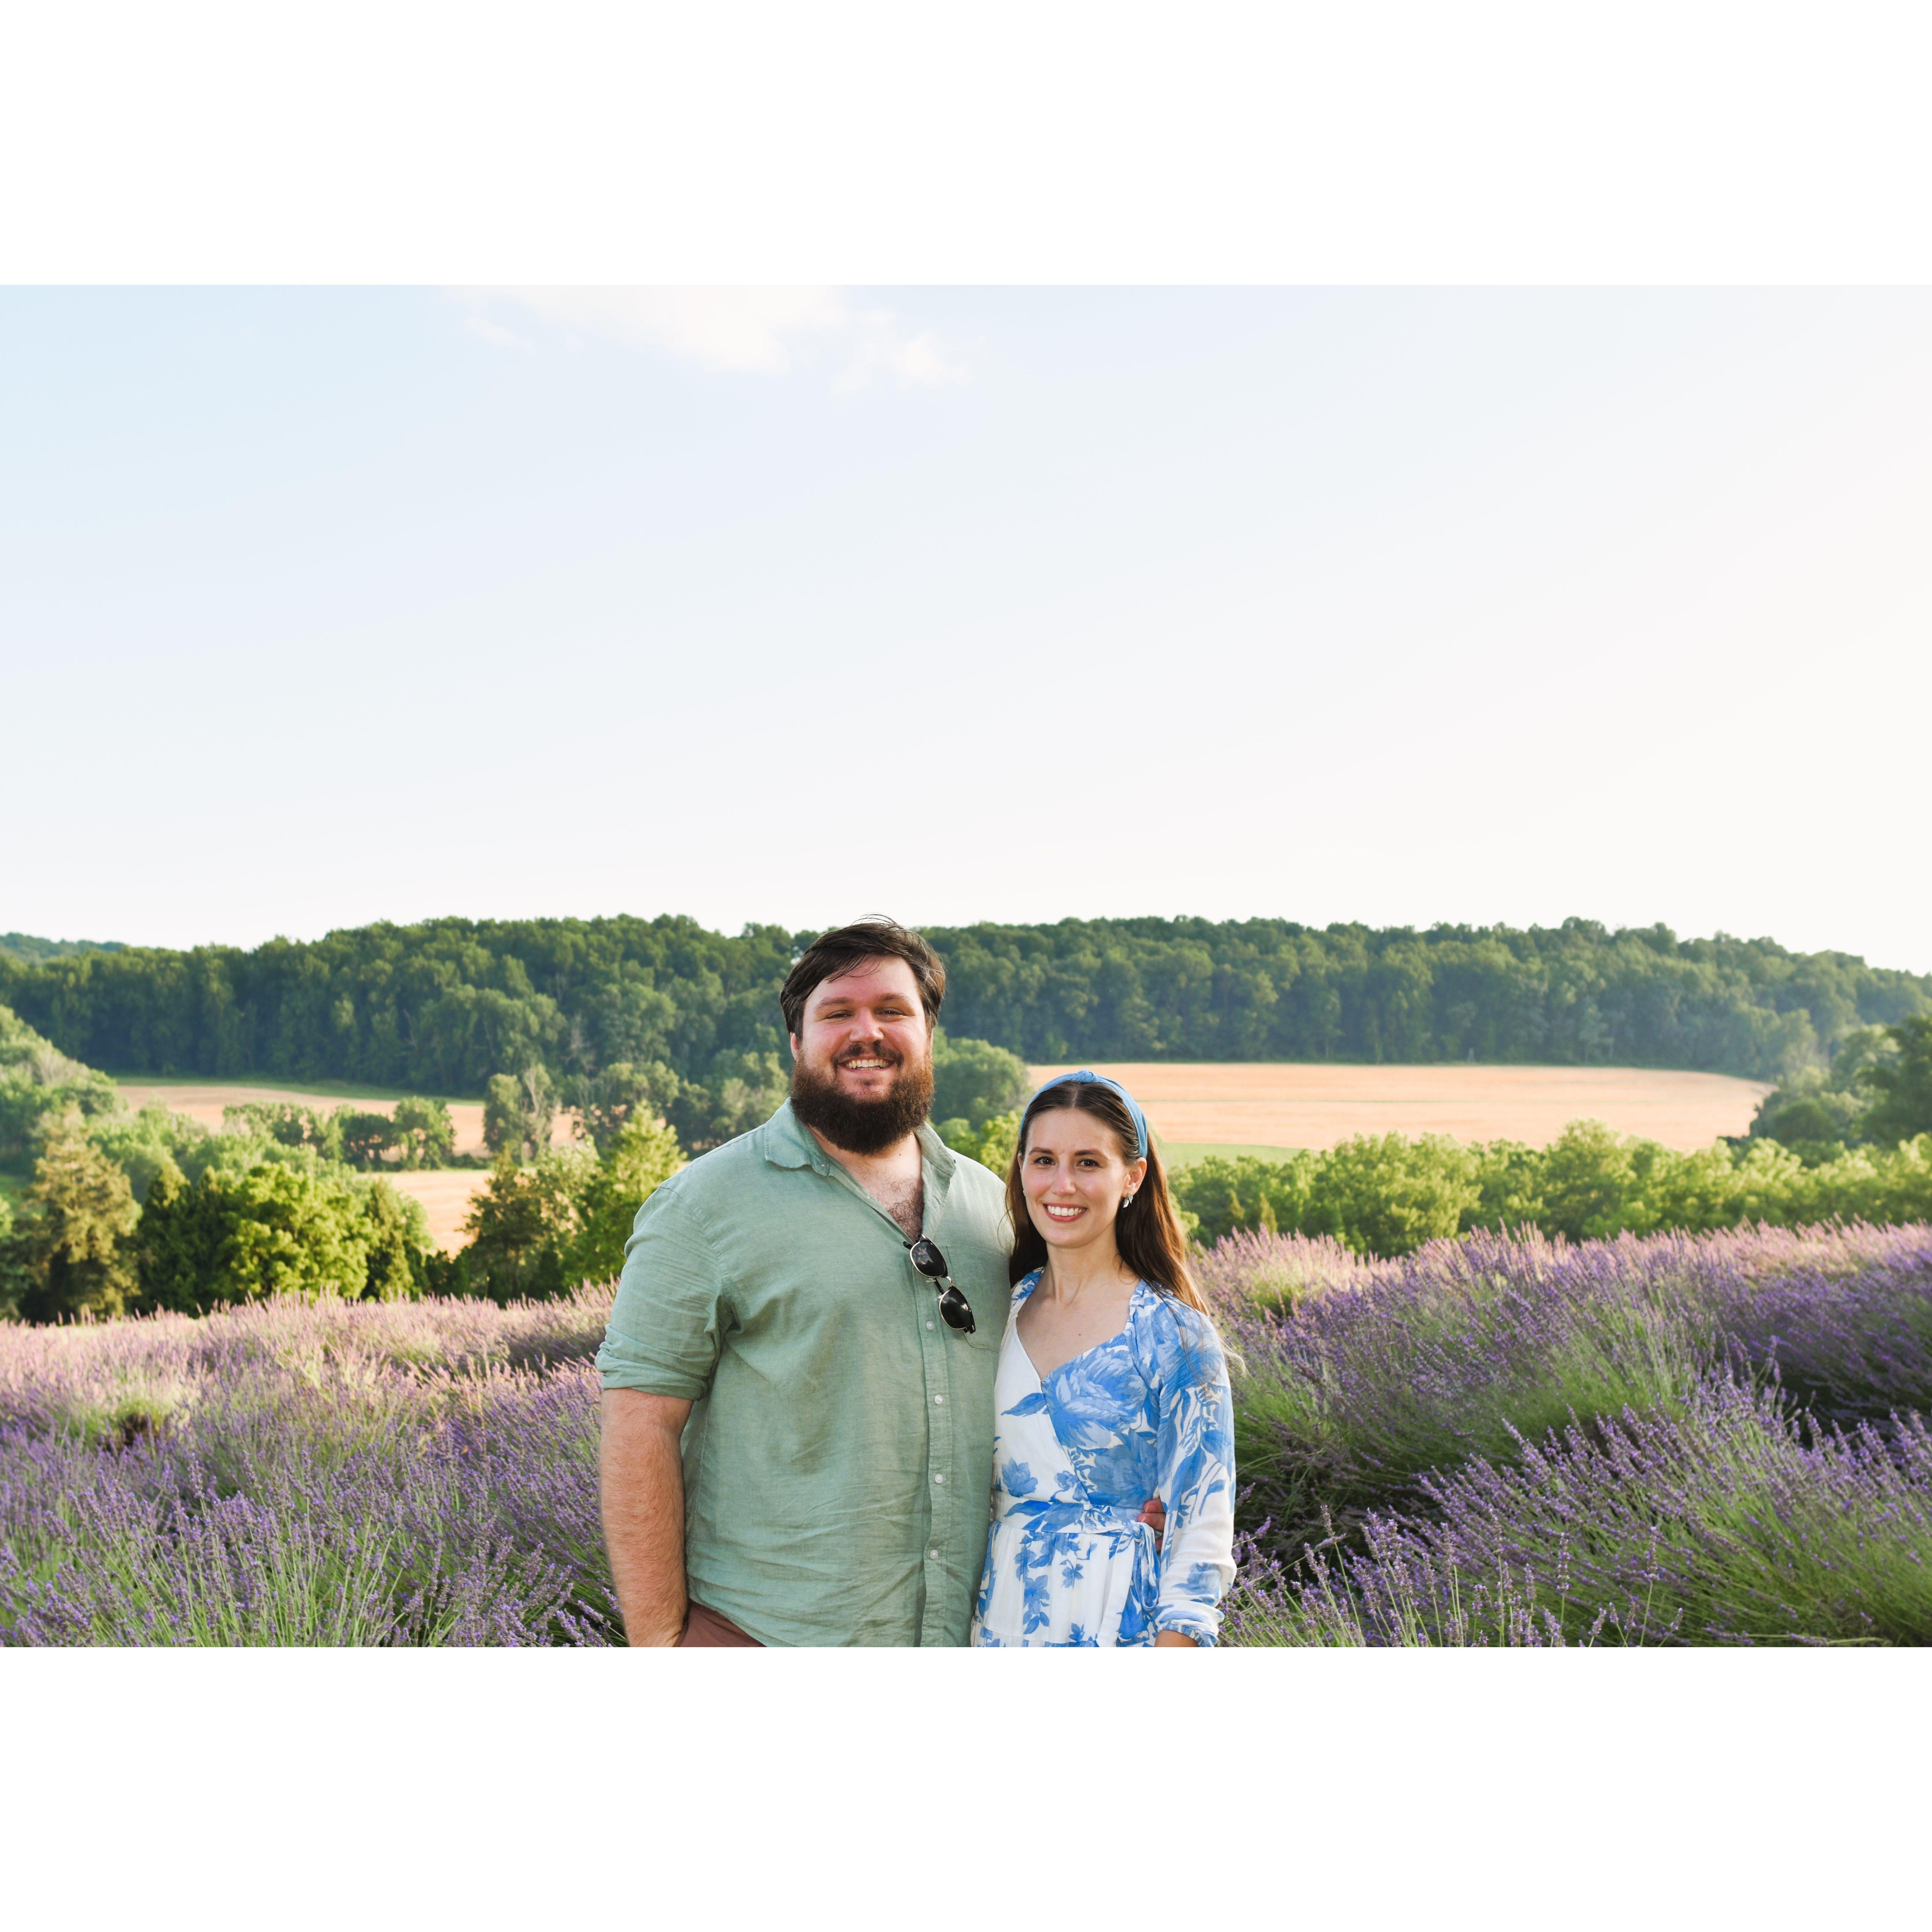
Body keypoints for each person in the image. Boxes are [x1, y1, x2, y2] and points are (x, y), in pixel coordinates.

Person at [594, 917, 1014, 1646]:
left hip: (971, 1635)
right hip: (765, 1636)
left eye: (891, 1011)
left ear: (928, 1031)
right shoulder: (702, 1206)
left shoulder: (996, 1208)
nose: (866, 1033)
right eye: (836, 1014)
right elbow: (638, 1425)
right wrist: (663, 1646)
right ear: (796, 1041)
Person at [970, 1070, 1236, 1647]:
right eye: (1043, 1160)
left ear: (1132, 1177)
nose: (1061, 1184)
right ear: (1021, 1169)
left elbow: (1202, 1540)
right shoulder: (993, 1317)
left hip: (1120, 1622)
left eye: (1088, 1163)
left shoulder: (1175, 1337)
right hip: (999, 1617)